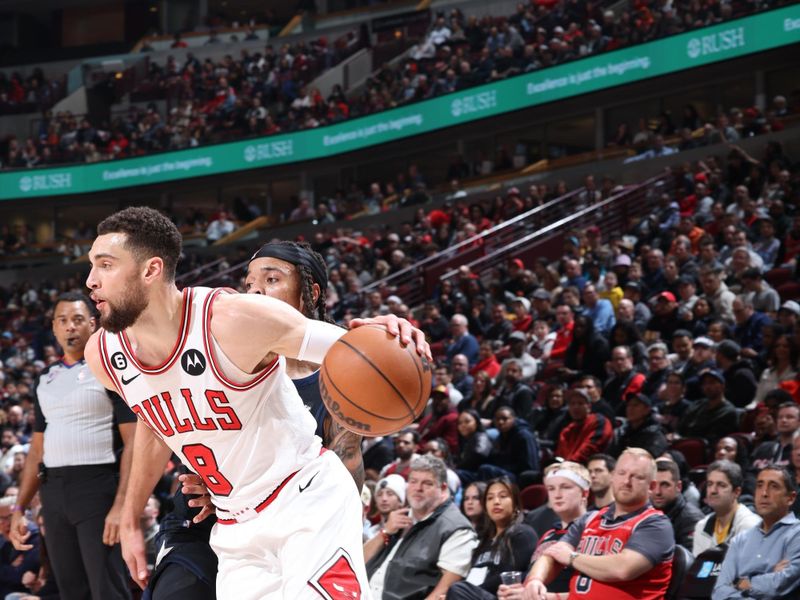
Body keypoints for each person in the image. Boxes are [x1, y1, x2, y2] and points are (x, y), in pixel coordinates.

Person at [83, 207, 428, 599]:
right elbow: (153, 426)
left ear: (151, 270)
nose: (91, 281)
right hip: (235, 530)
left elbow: (351, 349)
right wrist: (129, 518)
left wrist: (389, 333)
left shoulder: (230, 319)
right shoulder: (105, 355)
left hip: (305, 502)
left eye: (105, 265)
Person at [148, 239, 405, 598]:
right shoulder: (229, 354)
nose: (255, 294)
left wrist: (391, 338)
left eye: (271, 280)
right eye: (250, 285)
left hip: (292, 517)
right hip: (210, 517)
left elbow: (344, 465)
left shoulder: (338, 369)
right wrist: (220, 482)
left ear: (311, 292)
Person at [9, 292, 135, 600]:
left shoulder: (110, 370)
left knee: (107, 589)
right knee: (70, 590)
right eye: (63, 321)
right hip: (53, 491)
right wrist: (19, 508)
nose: (70, 327)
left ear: (93, 324)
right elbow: (37, 449)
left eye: (78, 320)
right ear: (53, 327)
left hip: (97, 486)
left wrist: (121, 505)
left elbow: (134, 442)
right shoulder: (44, 377)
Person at [523, 448, 674, 600]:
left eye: (637, 477)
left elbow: (623, 569)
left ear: (652, 486)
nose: (626, 481)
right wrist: (535, 581)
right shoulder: (590, 519)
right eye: (621, 473)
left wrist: (571, 557)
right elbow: (552, 555)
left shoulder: (656, 524)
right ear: (613, 476)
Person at [366, 455, 478, 599]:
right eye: (413, 481)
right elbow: (358, 562)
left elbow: (444, 591)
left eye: (427, 483)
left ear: (443, 488)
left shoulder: (457, 529)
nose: (418, 488)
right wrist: (384, 532)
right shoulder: (398, 517)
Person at [713, 465, 800, 599]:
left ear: (790, 498)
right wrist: (769, 576)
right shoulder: (740, 540)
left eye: (774, 486)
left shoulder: (797, 534)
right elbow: (719, 591)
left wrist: (739, 583)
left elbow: (778, 585)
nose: (764, 493)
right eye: (759, 485)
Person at [447, 477, 537, 599]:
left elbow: (511, 577)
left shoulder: (523, 533)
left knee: (458, 589)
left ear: (515, 503)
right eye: (490, 498)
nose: (496, 502)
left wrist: (470, 590)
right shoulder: (483, 541)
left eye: (503, 496)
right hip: (473, 594)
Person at [527, 462, 591, 595]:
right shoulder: (549, 533)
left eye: (565, 487)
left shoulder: (594, 530)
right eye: (551, 488)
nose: (557, 495)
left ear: (584, 493)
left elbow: (593, 591)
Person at [693, 460, 760, 556]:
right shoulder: (701, 526)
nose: (713, 490)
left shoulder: (750, 526)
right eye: (710, 484)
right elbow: (698, 569)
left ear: (736, 492)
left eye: (721, 485)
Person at [650, 459, 703, 548]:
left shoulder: (692, 520)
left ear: (678, 487)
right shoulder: (643, 511)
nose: (657, 492)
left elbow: (693, 560)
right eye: (653, 485)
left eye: (665, 485)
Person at [555, 388, 613, 464]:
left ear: (589, 407)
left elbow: (591, 449)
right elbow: (560, 455)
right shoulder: (567, 431)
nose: (576, 407)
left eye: (580, 403)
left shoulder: (598, 421)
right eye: (572, 404)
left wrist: (569, 465)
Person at [606, 393, 668, 460]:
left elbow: (649, 459)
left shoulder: (654, 434)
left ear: (646, 410)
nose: (630, 409)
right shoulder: (621, 432)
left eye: (635, 405)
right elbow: (610, 456)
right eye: (628, 405)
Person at [364, 474, 406, 541]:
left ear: (400, 501)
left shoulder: (406, 531)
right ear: (376, 503)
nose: (384, 499)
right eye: (379, 494)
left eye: (390, 494)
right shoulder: (370, 532)